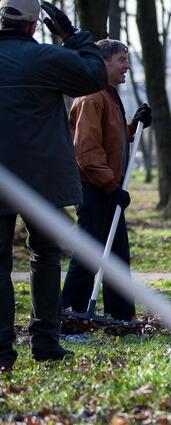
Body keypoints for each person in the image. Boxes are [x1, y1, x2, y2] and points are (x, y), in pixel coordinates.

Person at [0, 0, 107, 370]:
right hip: (41, 180)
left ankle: (1, 351)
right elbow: (95, 75)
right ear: (33, 27)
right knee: (44, 256)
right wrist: (72, 35)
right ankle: (45, 341)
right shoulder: (46, 58)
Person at [60, 39, 151, 322]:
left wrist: (134, 126)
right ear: (104, 62)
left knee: (116, 255)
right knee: (88, 255)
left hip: (108, 189)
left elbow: (112, 140)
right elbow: (86, 151)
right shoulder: (91, 97)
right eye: (121, 60)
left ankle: (120, 316)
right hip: (94, 189)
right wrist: (112, 186)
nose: (127, 66)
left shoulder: (108, 96)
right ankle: (70, 316)